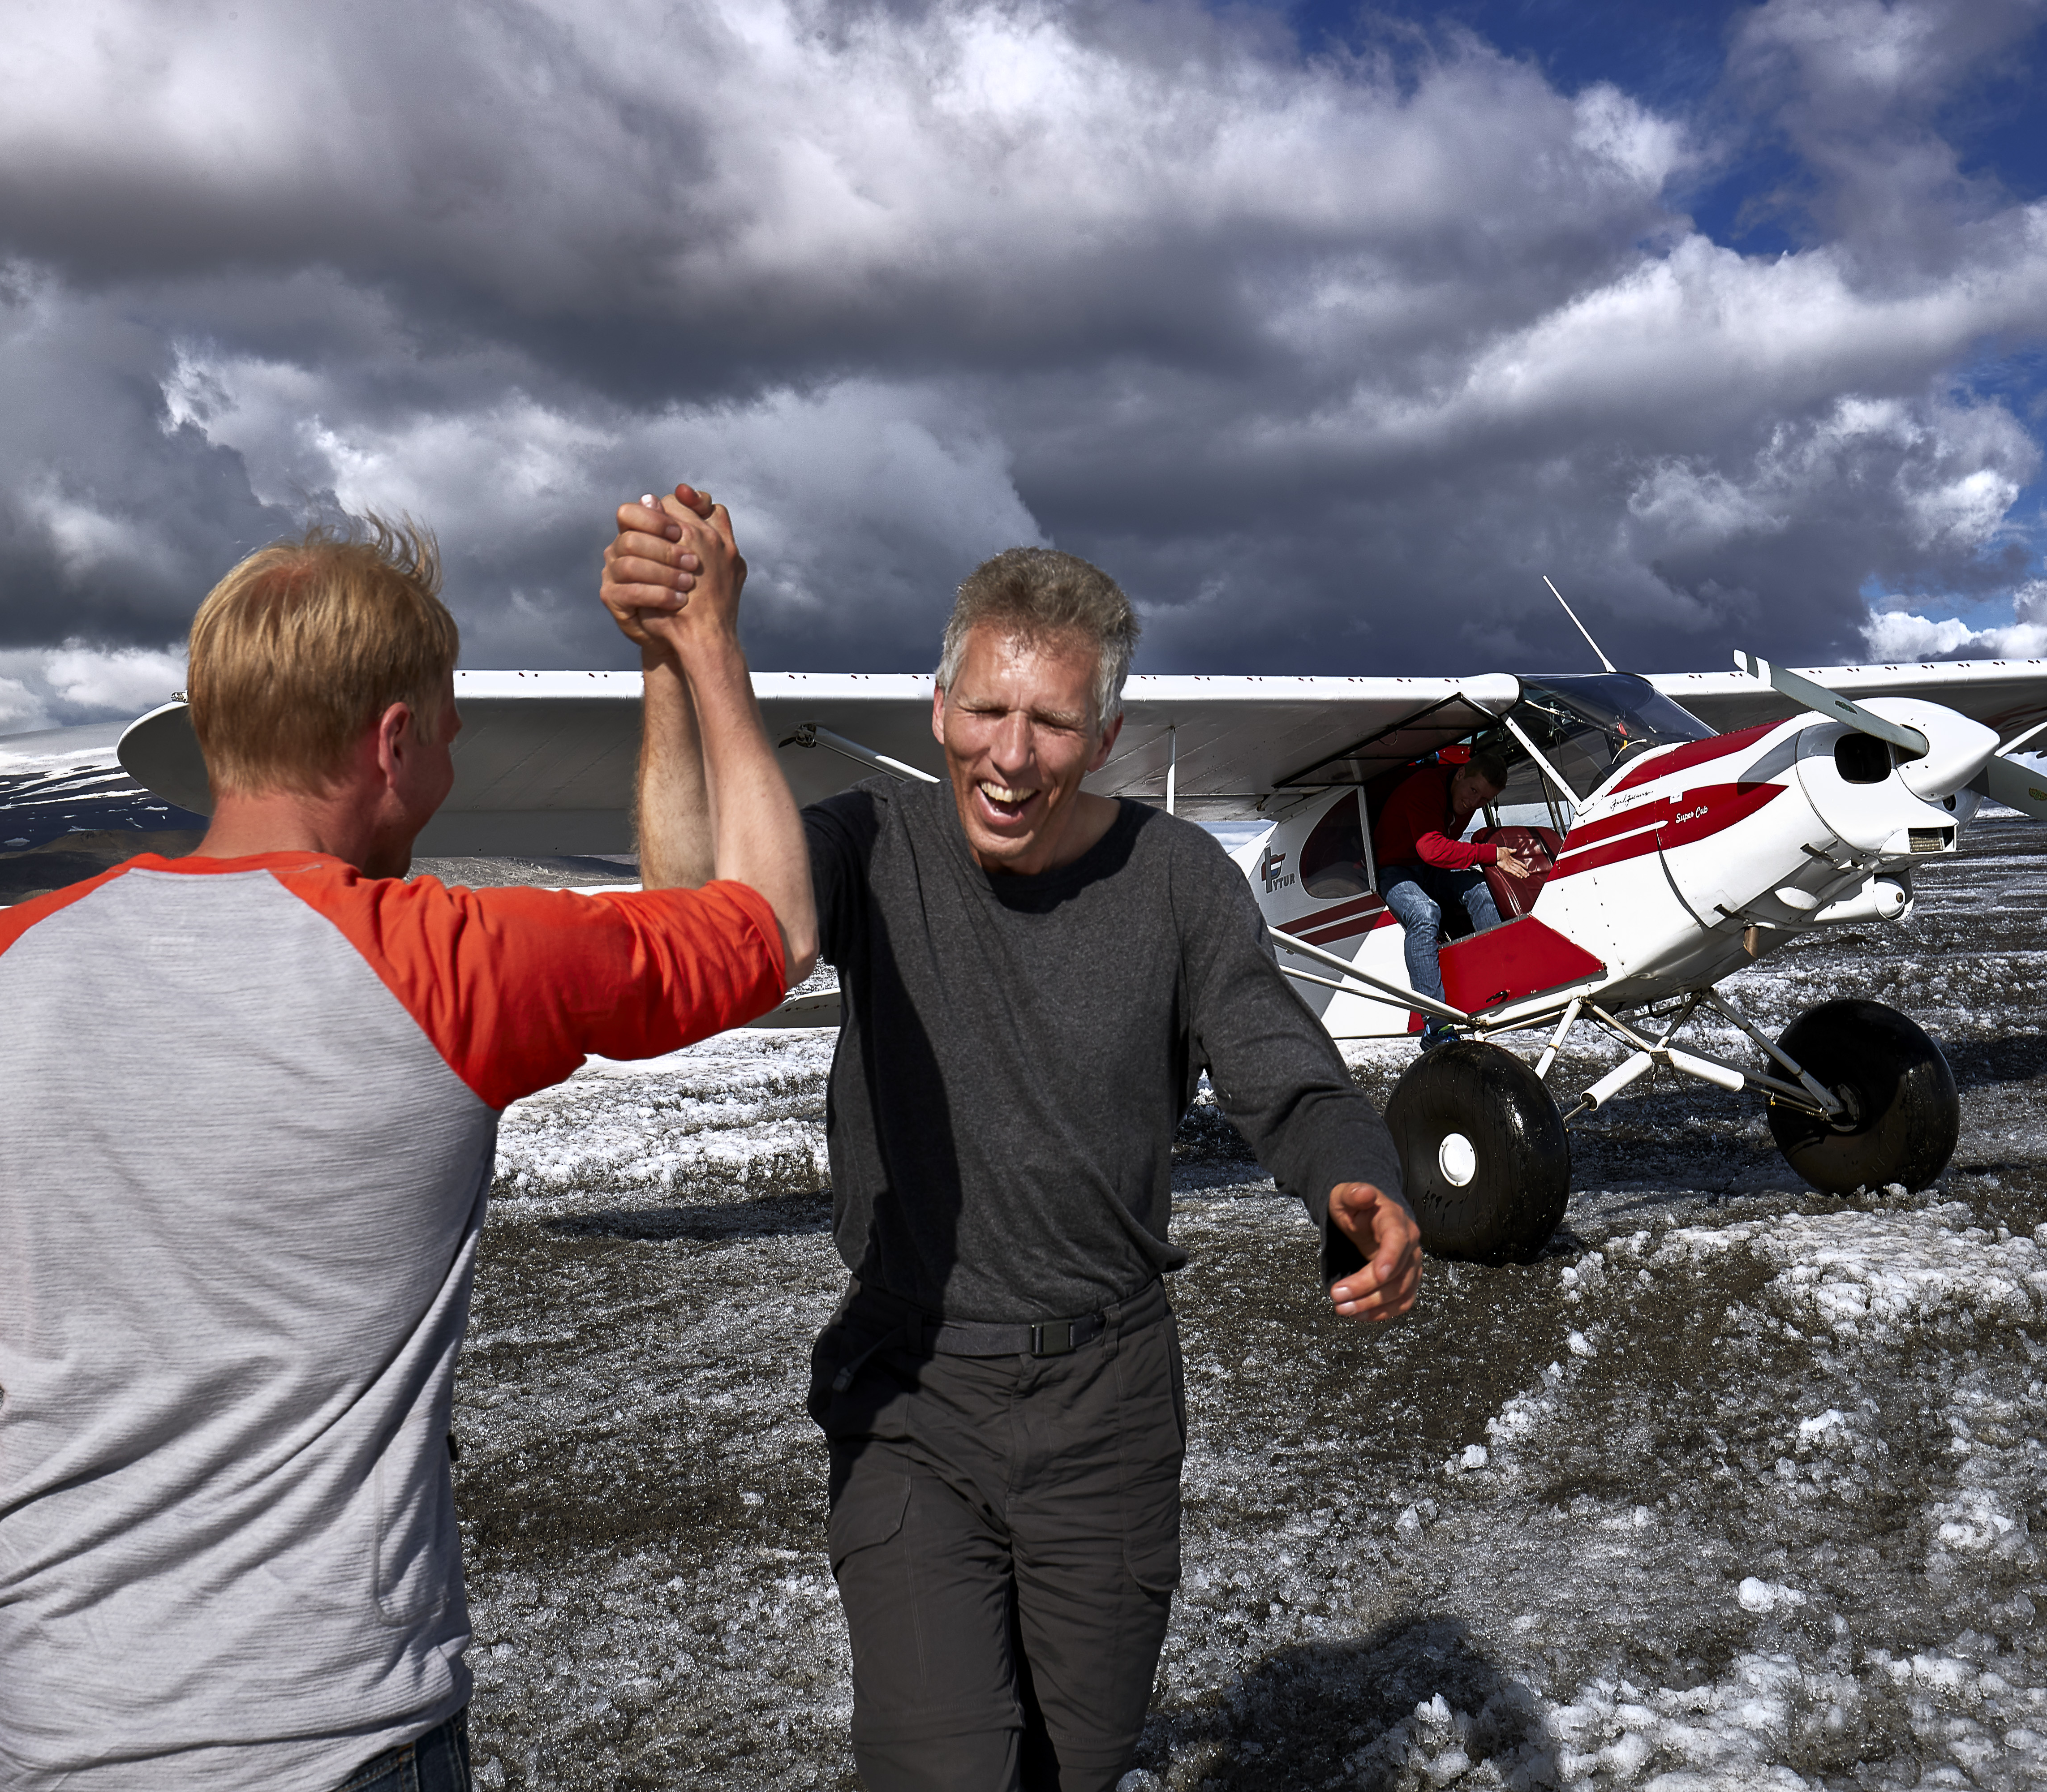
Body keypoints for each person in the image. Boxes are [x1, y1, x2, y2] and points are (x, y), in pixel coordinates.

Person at [0, 511, 816, 1791]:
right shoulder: (442, 966)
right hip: (334, 1740)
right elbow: (765, 925)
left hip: (42, 1730)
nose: (443, 774)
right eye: (443, 738)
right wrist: (704, 645)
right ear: (392, 743)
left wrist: (81, 1591)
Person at [600, 497, 1419, 1792]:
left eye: (1050, 723)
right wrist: (673, 655)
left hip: (1109, 1403)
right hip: (913, 1389)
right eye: (986, 711)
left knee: (1076, 1767)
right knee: (943, 1768)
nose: (1012, 754)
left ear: (1102, 737)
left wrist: (1355, 1174)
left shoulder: (1179, 880)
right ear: (939, 710)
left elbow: (1282, 1071)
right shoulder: (874, 847)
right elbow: (705, 917)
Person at [1372, 750, 1538, 1046]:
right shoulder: (1426, 788)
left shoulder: (1462, 795)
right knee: (1425, 914)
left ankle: (1498, 983)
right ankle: (1436, 1026)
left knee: (1478, 887)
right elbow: (1431, 848)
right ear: (1460, 774)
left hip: (1426, 871)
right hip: (1393, 871)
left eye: (1484, 800)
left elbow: (1435, 856)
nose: (1474, 803)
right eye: (1473, 791)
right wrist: (1490, 855)